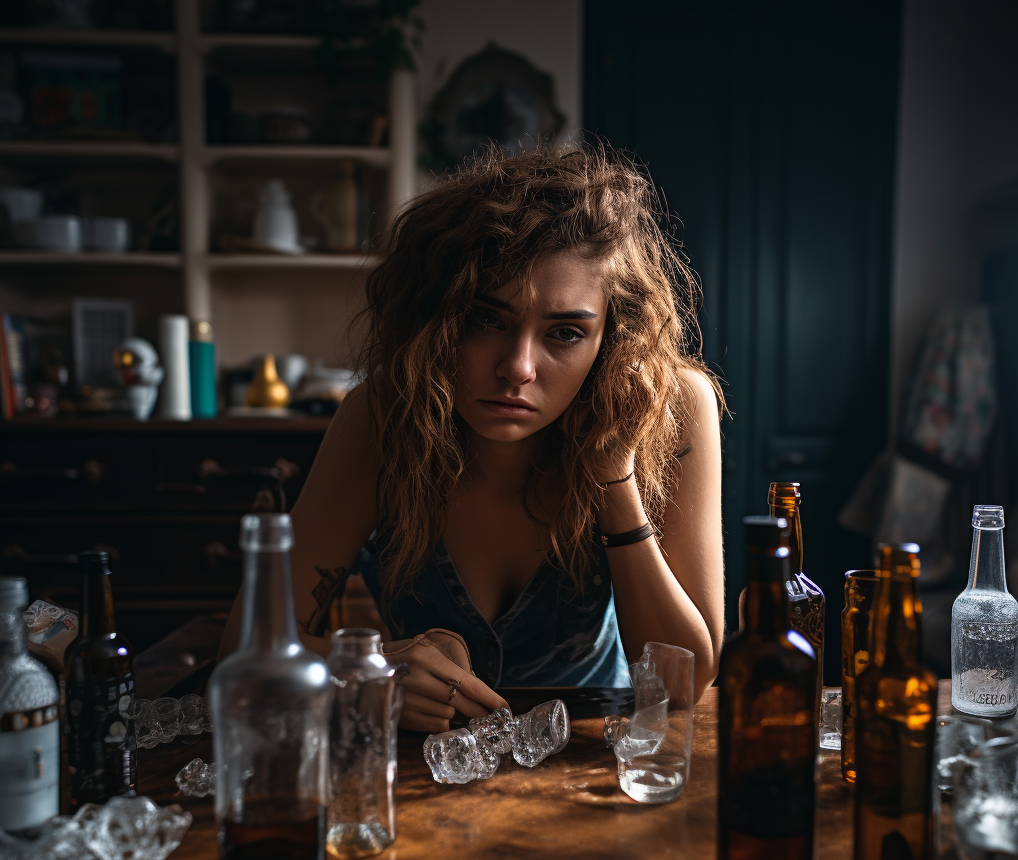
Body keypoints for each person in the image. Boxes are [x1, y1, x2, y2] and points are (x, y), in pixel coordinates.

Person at [219, 144, 726, 733]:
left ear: (610, 340)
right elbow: (247, 647)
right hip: (426, 775)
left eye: (564, 333)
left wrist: (613, 474)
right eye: (487, 320)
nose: (518, 367)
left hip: (595, 761)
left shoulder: (668, 407)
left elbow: (685, 685)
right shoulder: (384, 418)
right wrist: (366, 677)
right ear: (437, 318)